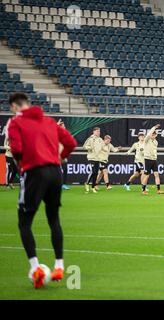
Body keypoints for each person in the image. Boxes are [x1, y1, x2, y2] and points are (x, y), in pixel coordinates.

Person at [7, 93, 77, 289]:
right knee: (53, 218)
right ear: (28, 104)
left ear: (14, 106)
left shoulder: (15, 122)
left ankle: (36, 268)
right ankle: (59, 266)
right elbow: (71, 142)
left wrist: (21, 162)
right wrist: (62, 157)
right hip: (55, 172)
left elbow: (17, 149)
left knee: (24, 222)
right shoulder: (48, 120)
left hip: (34, 172)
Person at [142, 124, 164, 195]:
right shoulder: (146, 140)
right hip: (147, 159)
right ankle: (143, 190)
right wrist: (154, 127)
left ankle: (158, 189)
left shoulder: (156, 142)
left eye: (154, 134)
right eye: (152, 134)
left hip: (154, 160)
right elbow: (148, 134)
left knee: (156, 175)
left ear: (156, 135)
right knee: (146, 175)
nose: (153, 135)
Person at [83, 127, 103, 193]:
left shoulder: (100, 139)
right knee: (93, 171)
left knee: (96, 173)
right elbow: (84, 146)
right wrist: (90, 148)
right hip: (91, 157)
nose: (99, 132)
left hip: (98, 158)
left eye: (99, 131)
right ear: (94, 132)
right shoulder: (90, 139)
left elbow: (103, 147)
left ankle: (93, 187)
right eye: (97, 131)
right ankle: (87, 183)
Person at [57, 120, 70, 190]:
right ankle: (59, 184)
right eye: (63, 126)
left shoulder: (64, 134)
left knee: (65, 170)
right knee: (59, 171)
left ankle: (64, 184)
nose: (65, 127)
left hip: (64, 156)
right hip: (57, 156)